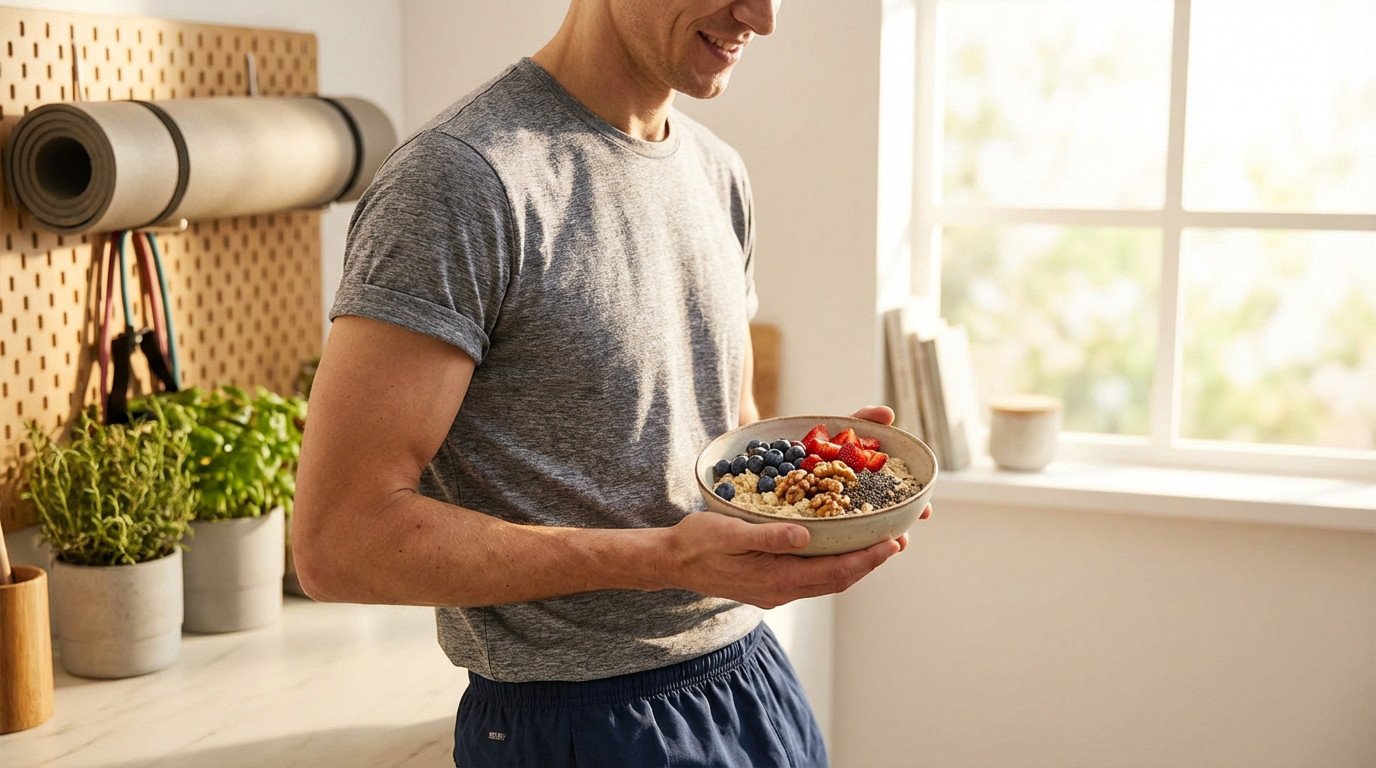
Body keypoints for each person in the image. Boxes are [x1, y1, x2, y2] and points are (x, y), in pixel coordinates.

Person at [291, 1, 929, 765]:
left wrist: (806, 473)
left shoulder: (717, 172)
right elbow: (337, 544)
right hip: (577, 725)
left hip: (752, 684)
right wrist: (663, 558)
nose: (761, 17)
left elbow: (723, 444)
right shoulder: (459, 179)